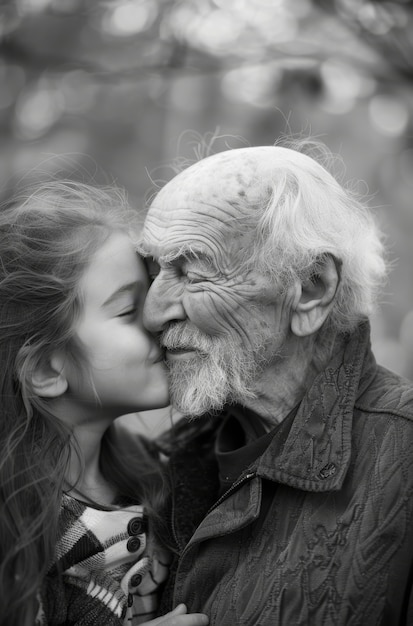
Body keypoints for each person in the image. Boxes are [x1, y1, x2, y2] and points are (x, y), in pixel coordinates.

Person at [139, 141, 413, 625]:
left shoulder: (403, 457)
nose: (153, 311)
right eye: (154, 270)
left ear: (311, 288)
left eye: (192, 270)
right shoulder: (160, 466)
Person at [0, 181, 209, 626]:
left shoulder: (163, 477)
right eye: (128, 310)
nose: (159, 318)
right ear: (45, 370)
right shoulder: (13, 527)